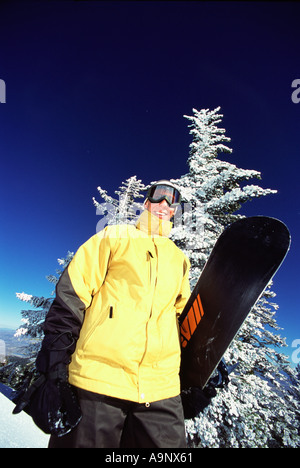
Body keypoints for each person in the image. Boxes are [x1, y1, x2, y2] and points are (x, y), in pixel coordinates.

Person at [24, 180, 191, 448]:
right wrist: (55, 365)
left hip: (161, 391)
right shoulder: (114, 237)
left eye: (173, 201)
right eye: (158, 196)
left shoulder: (180, 260)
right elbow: (72, 296)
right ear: (146, 203)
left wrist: (201, 367)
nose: (164, 204)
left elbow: (183, 319)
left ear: (175, 212)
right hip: (97, 381)